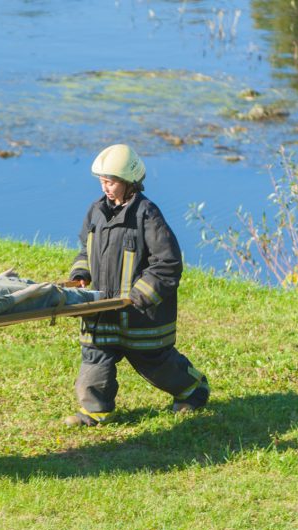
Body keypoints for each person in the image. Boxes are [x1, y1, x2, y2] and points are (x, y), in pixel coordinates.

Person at [65, 144, 209, 426]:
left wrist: (140, 296)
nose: (106, 187)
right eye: (102, 181)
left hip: (140, 315)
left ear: (130, 182)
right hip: (103, 309)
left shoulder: (147, 215)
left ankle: (193, 389)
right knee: (94, 359)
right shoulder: (96, 212)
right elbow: (85, 249)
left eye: (111, 182)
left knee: (155, 363)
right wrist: (81, 273)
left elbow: (167, 264)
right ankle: (95, 411)